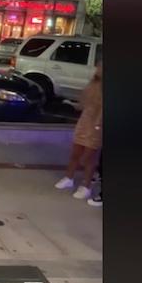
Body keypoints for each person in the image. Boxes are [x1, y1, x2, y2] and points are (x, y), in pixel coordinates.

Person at [55, 61, 103, 199]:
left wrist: (98, 124)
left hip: (96, 125)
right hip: (84, 121)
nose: (98, 69)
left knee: (89, 158)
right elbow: (83, 103)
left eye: (100, 67)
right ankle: (68, 178)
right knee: (75, 153)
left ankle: (86, 185)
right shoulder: (93, 83)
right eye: (98, 66)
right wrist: (72, 104)